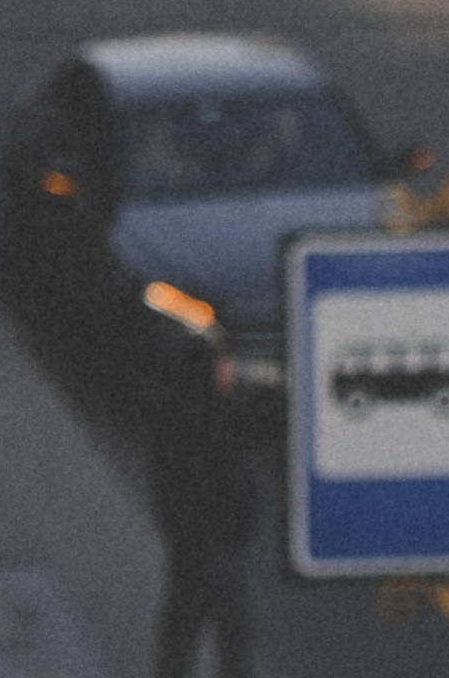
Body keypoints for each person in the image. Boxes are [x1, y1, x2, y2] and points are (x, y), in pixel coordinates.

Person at [137, 286, 257, 678]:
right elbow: (234, 481)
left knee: (184, 626)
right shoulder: (212, 422)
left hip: (196, 540)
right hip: (213, 541)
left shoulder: (177, 415)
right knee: (229, 632)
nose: (231, 372)